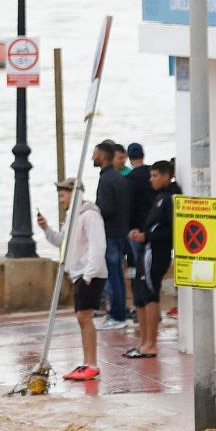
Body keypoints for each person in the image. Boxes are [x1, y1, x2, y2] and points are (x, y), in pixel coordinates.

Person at [38, 179, 107, 381]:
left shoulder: (90, 215)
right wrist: (46, 229)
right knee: (82, 318)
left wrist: (88, 274)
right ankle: (87, 362)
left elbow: (98, 246)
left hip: (89, 274)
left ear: (74, 194)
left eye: (63, 195)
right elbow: (62, 242)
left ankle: (92, 364)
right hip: (78, 273)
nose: (62, 200)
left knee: (85, 317)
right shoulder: (72, 217)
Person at [127, 161, 182, 358]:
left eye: (156, 176)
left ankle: (151, 343)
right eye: (151, 176)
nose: (152, 180)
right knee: (140, 296)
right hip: (146, 249)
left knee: (150, 295)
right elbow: (154, 225)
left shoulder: (170, 197)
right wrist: (140, 233)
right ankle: (143, 342)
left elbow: (171, 229)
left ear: (167, 176)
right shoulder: (158, 197)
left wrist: (147, 237)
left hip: (156, 252)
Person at [93, 140, 132, 330]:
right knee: (117, 274)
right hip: (121, 232)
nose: (93, 156)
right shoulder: (118, 177)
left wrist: (93, 210)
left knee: (113, 275)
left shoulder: (107, 179)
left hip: (111, 234)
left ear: (103, 156)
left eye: (95, 153)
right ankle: (119, 313)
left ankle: (116, 315)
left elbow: (107, 209)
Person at [124, 142, 153, 290]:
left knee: (137, 264)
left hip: (137, 229)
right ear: (143, 155)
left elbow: (128, 206)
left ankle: (140, 295)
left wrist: (129, 228)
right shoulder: (153, 174)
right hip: (154, 229)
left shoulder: (129, 178)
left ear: (129, 158)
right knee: (151, 267)